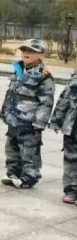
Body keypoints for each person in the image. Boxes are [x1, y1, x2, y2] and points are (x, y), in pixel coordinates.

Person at [0, 39, 55, 189]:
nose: (26, 53)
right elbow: (10, 94)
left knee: (29, 150)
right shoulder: (18, 69)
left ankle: (30, 176)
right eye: (24, 50)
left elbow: (46, 102)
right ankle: (13, 172)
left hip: (29, 121)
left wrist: (39, 123)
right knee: (12, 147)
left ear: (41, 54)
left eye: (31, 51)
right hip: (13, 118)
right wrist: (4, 113)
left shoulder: (43, 75)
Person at [49, 69, 77, 205]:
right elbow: (63, 101)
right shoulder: (74, 81)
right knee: (70, 159)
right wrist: (56, 120)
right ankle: (70, 189)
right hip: (73, 127)